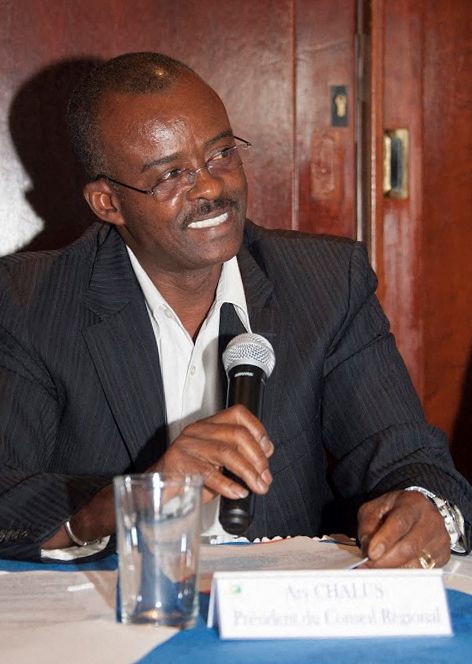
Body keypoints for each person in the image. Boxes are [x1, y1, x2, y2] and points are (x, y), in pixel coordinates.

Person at [0, 52, 470, 567]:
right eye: (170, 174)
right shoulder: (30, 302)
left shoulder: (327, 284)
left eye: (221, 153)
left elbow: (410, 459)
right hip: (114, 612)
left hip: (276, 619)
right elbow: (7, 498)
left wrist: (426, 511)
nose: (211, 187)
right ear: (108, 203)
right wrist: (135, 498)